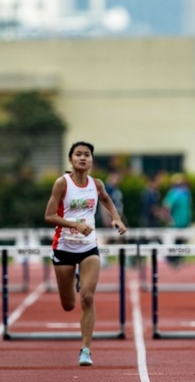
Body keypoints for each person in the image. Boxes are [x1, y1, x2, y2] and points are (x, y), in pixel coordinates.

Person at [44, 141, 127, 367]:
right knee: (69, 304)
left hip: (89, 247)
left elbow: (107, 200)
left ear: (91, 160)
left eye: (87, 155)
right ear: (71, 160)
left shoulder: (96, 184)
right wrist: (75, 225)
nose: (83, 158)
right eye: (78, 155)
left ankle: (86, 349)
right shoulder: (62, 184)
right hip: (63, 247)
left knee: (88, 297)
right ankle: (75, 279)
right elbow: (49, 216)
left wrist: (116, 218)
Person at [163, 173, 192, 266]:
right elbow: (167, 206)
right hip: (176, 222)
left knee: (180, 241)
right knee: (175, 241)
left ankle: (177, 258)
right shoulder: (174, 193)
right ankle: (173, 259)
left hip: (184, 221)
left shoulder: (186, 193)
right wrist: (168, 218)